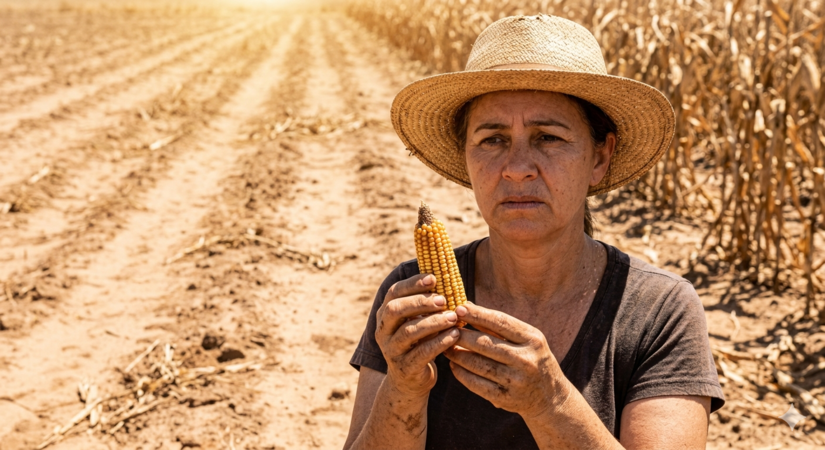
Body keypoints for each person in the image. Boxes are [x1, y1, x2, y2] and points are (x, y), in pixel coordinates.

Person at [344, 14, 724, 450]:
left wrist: (551, 401)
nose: (518, 169)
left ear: (600, 157)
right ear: (466, 158)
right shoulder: (413, 297)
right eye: (492, 139)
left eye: (548, 137)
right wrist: (405, 389)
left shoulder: (659, 311)